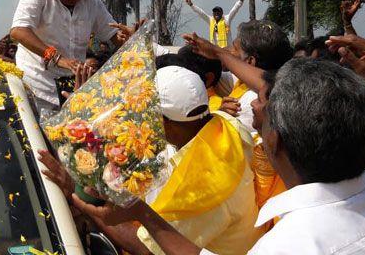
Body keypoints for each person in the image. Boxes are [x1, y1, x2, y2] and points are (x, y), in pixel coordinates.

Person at [71, 32, 365, 254]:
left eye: (264, 103)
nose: (254, 103)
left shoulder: (292, 244)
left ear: (274, 141)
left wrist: (133, 213)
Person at [39, 66, 262, 255]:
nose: (140, 117)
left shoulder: (199, 187)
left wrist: (75, 195)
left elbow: (145, 247)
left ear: (161, 121)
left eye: (145, 110)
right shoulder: (223, 123)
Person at [10, 0, 125, 112]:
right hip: (37, 83)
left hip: (75, 86)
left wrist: (129, 36)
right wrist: (56, 57)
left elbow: (113, 34)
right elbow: (18, 31)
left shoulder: (91, 1)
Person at [213, 20, 293, 134]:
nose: (228, 50)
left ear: (250, 61)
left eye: (235, 48)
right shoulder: (246, 83)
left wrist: (219, 116)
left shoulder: (250, 104)